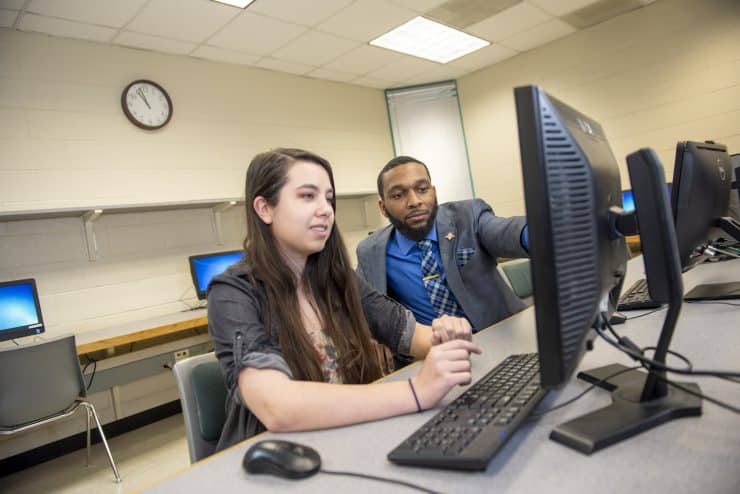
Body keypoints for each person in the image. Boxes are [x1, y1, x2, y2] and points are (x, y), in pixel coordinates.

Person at [207, 148, 480, 451]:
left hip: (349, 439)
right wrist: (416, 391)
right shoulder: (232, 292)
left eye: (328, 198)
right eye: (308, 196)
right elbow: (277, 406)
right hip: (283, 457)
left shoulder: (338, 278)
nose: (325, 209)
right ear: (264, 209)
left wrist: (447, 336)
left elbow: (413, 335)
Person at [356, 156, 530, 335]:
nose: (414, 201)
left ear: (434, 193)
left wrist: (541, 231)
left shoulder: (468, 217)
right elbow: (359, 306)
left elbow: (505, 231)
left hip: (503, 335)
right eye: (398, 195)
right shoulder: (371, 252)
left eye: (422, 189)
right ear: (383, 207)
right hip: (436, 353)